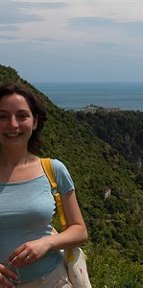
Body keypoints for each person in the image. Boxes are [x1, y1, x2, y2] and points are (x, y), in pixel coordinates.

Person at [0, 81, 88, 287]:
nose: (12, 125)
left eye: (22, 116)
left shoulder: (53, 170)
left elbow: (79, 230)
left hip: (52, 280)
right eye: (2, 116)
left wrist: (46, 243)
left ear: (35, 121)